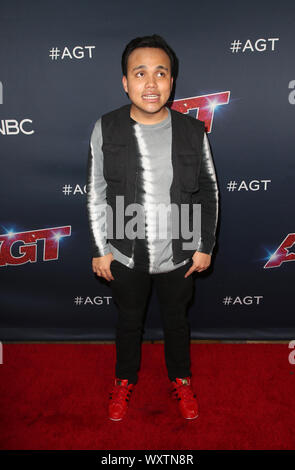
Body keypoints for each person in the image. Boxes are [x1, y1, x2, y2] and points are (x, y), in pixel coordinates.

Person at [87, 34, 219, 421]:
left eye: (160, 73)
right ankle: (124, 380)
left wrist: (205, 243)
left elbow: (209, 189)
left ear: (172, 81)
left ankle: (181, 379)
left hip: (180, 252)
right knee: (129, 323)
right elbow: (96, 192)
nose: (150, 83)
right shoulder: (106, 127)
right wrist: (100, 248)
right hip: (125, 253)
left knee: (177, 323)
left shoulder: (194, 131)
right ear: (125, 81)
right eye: (139, 73)